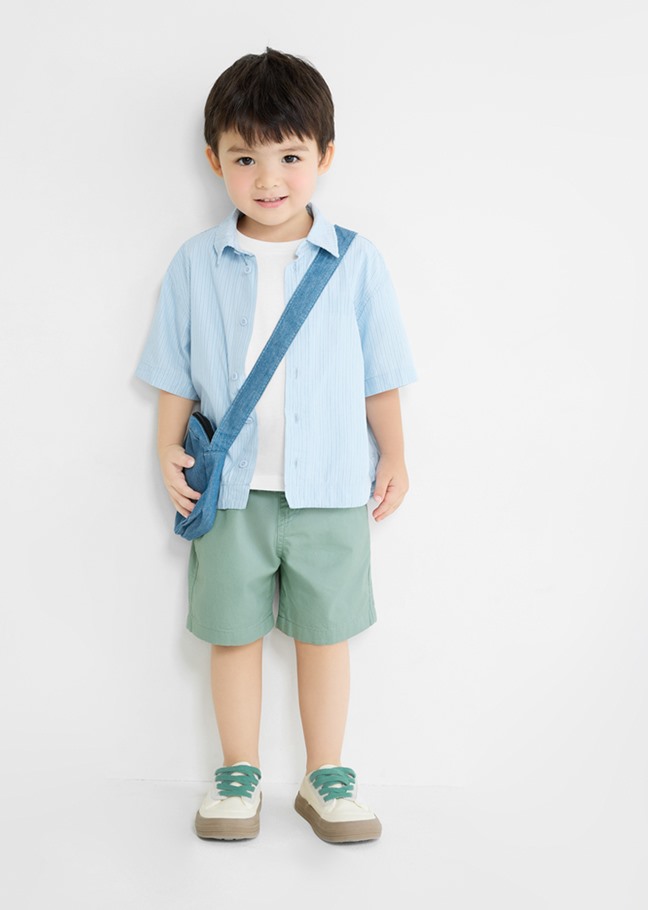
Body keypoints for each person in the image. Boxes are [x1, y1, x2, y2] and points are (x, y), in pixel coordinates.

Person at [135, 48, 418, 844]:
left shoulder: (356, 261)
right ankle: (238, 773)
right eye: (245, 158)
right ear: (214, 160)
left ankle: (326, 774)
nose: (268, 178)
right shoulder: (196, 262)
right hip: (230, 492)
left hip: (331, 487)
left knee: (326, 635)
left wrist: (395, 455)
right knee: (233, 634)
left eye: (290, 156)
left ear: (325, 155)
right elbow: (174, 370)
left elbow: (381, 373)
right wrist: (166, 448)